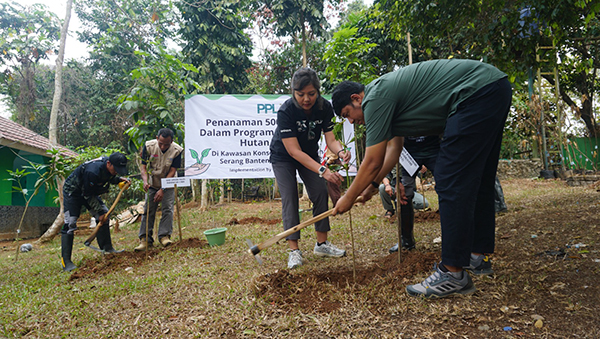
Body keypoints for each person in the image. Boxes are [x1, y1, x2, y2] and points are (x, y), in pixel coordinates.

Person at [331, 59, 512, 298]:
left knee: (450, 179)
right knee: (478, 180)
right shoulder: (385, 101)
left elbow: (372, 160)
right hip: (494, 87)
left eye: (348, 114)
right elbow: (393, 151)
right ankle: (478, 256)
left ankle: (452, 272)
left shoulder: (374, 98)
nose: (352, 121)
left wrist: (347, 197)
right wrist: (374, 185)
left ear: (356, 98)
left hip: (474, 94)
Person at [269, 67, 351, 269]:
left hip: (310, 154)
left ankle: (321, 244)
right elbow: (294, 151)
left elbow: (330, 139)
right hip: (284, 156)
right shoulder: (286, 111)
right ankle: (294, 250)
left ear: (318, 91)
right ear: (293, 92)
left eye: (311, 94)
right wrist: (323, 170)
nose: (306, 99)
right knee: (290, 197)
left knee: (320, 191)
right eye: (301, 94)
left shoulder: (324, 107)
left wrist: (340, 151)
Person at [60, 152, 130, 272]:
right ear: (109, 163)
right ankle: (66, 261)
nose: (117, 172)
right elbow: (88, 194)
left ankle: (107, 249)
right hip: (74, 192)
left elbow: (108, 177)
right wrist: (99, 212)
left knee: (104, 214)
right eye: (116, 169)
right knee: (70, 223)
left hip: (88, 192)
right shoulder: (92, 171)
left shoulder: (109, 167)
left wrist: (119, 179)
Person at [387, 135, 439, 253]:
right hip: (408, 154)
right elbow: (394, 144)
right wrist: (397, 180)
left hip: (435, 148)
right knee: (403, 194)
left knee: (447, 190)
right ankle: (406, 241)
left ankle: (451, 239)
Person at [135, 128, 183, 251]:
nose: (162, 146)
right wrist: (145, 181)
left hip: (169, 183)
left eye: (166, 144)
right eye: (160, 143)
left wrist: (163, 189)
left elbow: (173, 170)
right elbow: (143, 167)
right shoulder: (149, 146)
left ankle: (164, 236)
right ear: (157, 138)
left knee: (167, 208)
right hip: (152, 182)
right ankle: (145, 240)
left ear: (171, 141)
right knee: (148, 209)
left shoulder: (177, 150)